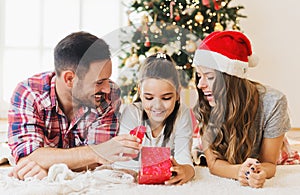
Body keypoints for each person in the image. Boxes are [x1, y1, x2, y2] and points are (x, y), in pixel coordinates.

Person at [7, 31, 141, 180]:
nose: (107, 88)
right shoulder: (29, 93)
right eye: (98, 82)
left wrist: (49, 165)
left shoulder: (108, 95)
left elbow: (98, 164)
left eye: (107, 79)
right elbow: (28, 157)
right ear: (70, 79)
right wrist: (95, 152)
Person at [192, 31, 291, 188]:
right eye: (199, 76)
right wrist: (238, 171)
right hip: (229, 158)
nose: (200, 85)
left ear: (230, 79)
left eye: (210, 77)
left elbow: (269, 163)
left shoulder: (274, 102)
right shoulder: (207, 102)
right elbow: (213, 162)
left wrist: (260, 172)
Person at [114, 53, 195, 185]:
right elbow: (123, 160)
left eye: (166, 98)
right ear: (140, 91)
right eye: (149, 98)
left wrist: (188, 170)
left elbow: (183, 157)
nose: (157, 106)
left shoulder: (182, 113)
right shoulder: (132, 112)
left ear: (177, 93)